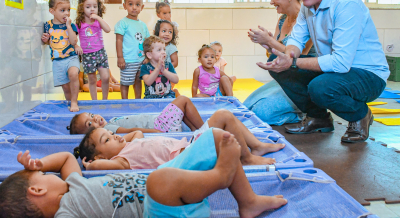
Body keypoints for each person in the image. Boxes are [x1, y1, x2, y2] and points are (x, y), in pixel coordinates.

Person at [252, 0, 389, 143]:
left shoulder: (346, 4)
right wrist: (287, 57)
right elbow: (297, 40)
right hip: (338, 72)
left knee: (320, 87)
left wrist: (292, 61)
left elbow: (341, 63)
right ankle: (319, 118)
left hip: (368, 75)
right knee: (278, 64)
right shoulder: (308, 7)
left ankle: (360, 115)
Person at [0, 135, 287, 218]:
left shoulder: (73, 183)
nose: (50, 173)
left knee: (216, 137)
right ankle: (222, 175)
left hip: (178, 195)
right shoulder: (66, 214)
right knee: (156, 180)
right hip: (161, 210)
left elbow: (63, 158)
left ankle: (248, 202)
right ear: (36, 191)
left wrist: (39, 164)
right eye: (43, 174)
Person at [74, 109, 284, 171]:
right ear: (102, 155)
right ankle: (246, 158)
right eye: (107, 139)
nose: (114, 135)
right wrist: (92, 164)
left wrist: (115, 138)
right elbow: (103, 165)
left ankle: (256, 146)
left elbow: (134, 134)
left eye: (110, 133)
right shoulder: (122, 161)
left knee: (224, 115)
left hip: (190, 143)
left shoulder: (131, 143)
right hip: (188, 157)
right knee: (222, 124)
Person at [245, 0, 316, 125]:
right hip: (285, 78)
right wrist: (267, 45)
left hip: (302, 81)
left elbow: (297, 56)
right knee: (246, 107)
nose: (271, 2)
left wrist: (270, 41)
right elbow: (276, 54)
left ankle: (306, 114)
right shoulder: (283, 19)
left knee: (260, 114)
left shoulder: (308, 19)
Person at [68, 95, 204, 134]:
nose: (96, 118)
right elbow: (131, 131)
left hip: (160, 124)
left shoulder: (110, 123)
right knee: (183, 101)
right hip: (160, 126)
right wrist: (156, 132)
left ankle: (195, 131)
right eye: (90, 123)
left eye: (92, 115)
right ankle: (205, 130)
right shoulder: (107, 129)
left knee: (181, 109)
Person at [41, 0, 82, 112]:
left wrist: (68, 26)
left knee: (73, 74)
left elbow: (74, 41)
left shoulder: (71, 25)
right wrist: (46, 40)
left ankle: (74, 101)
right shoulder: (48, 25)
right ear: (52, 11)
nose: (67, 13)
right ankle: (70, 103)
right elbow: (52, 42)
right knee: (65, 86)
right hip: (57, 60)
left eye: (68, 10)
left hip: (71, 57)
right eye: (62, 10)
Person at [76, 0, 111, 100]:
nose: (92, 9)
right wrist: (76, 46)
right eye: (88, 7)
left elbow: (108, 30)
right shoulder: (79, 23)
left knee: (105, 77)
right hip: (87, 55)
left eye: (95, 6)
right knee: (92, 80)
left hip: (100, 52)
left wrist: (98, 18)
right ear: (82, 8)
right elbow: (72, 37)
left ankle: (105, 100)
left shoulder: (97, 22)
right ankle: (94, 101)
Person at [115, 0, 150, 99]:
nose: (134, 7)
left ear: (142, 7)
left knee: (138, 80)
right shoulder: (122, 23)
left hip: (141, 60)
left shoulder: (143, 25)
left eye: (137, 4)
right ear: (124, 6)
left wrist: (147, 57)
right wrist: (120, 57)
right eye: (130, 4)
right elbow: (119, 41)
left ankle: (138, 100)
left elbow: (148, 42)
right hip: (127, 60)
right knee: (125, 82)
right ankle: (124, 102)